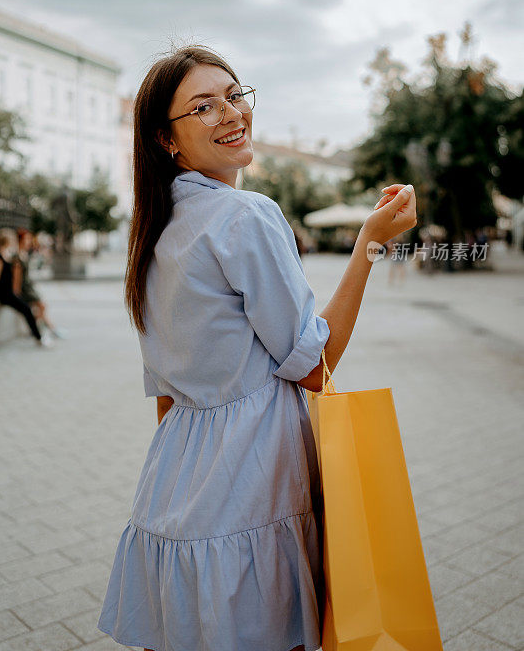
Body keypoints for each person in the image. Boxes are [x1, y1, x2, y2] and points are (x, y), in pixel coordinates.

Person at [96, 45, 417, 651]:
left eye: (235, 95)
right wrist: (370, 244)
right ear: (167, 139)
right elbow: (314, 367)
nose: (230, 113)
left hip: (172, 486)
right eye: (203, 106)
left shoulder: (154, 232)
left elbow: (165, 398)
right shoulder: (247, 215)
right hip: (252, 485)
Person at [0, 228, 51, 347]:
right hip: (3, 294)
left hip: (8, 293)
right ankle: (39, 337)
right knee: (26, 309)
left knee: (27, 308)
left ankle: (38, 334)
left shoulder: (6, 256)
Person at [13, 229, 67, 339]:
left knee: (40, 308)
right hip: (25, 289)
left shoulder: (25, 253)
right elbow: (17, 278)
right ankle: (49, 328)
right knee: (41, 306)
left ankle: (43, 328)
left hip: (29, 286)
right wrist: (16, 292)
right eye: (27, 238)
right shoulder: (18, 257)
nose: (29, 241)